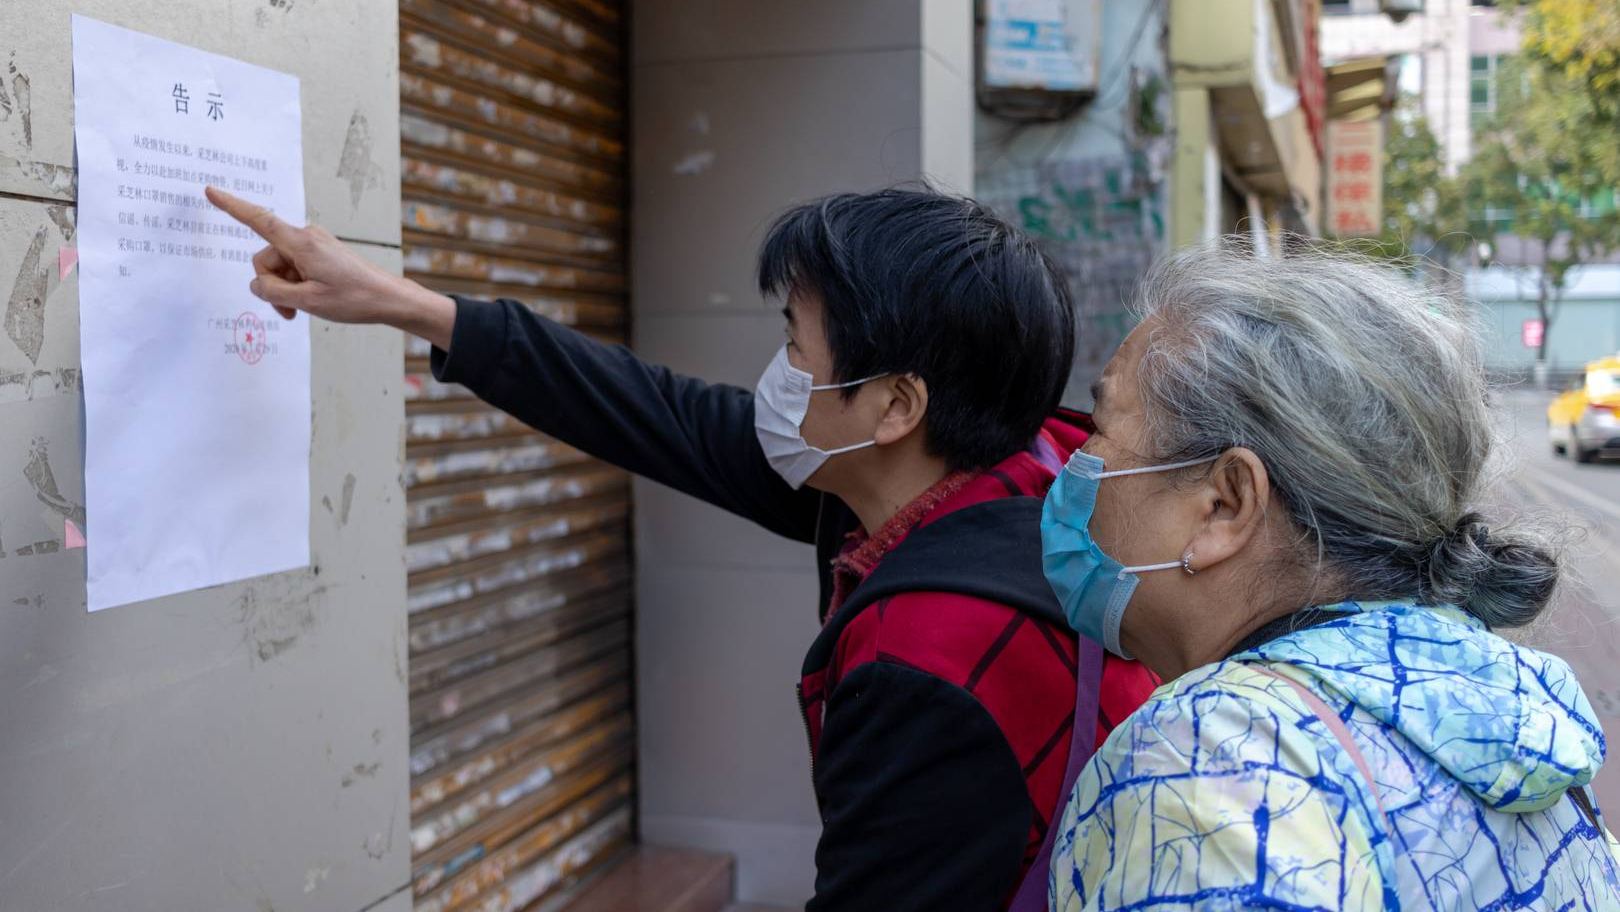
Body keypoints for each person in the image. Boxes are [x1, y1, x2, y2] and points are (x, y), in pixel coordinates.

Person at [205, 184, 1160, 912]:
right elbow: (659, 414)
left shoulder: (932, 661)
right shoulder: (1024, 473)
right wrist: (400, 302)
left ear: (895, 406)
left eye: (797, 348)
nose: (777, 378)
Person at [1039, 242, 1620, 911]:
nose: (1075, 464)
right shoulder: (1520, 715)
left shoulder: (1212, 770)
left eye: (1100, 427)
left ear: (1225, 504)